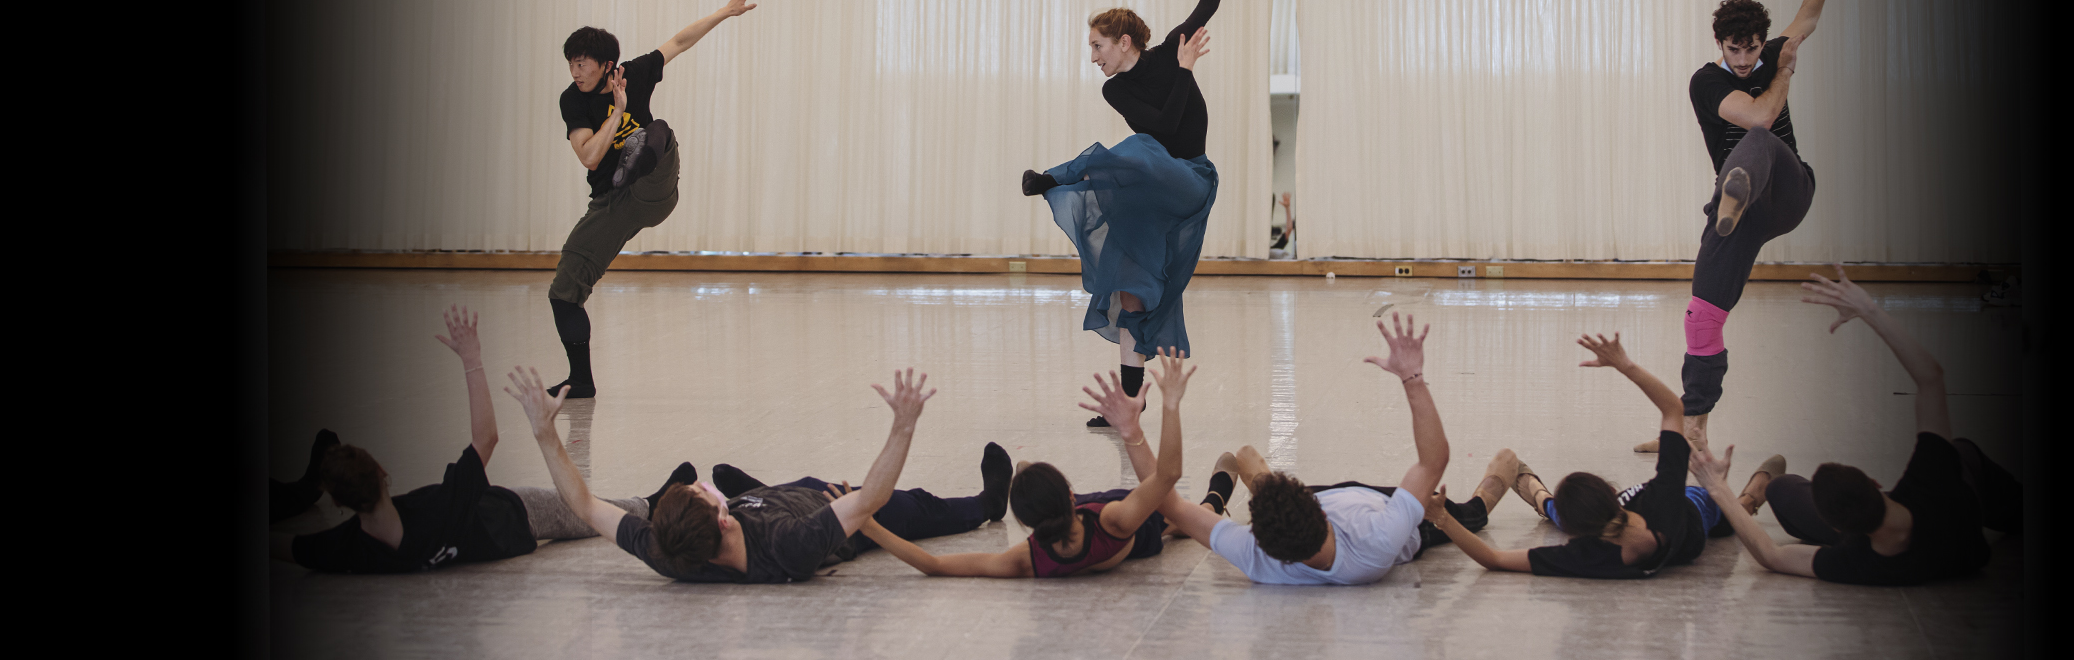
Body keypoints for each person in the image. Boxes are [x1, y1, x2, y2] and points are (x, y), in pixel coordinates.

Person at [270, 307, 692, 572]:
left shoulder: (344, 550)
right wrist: (472, 361)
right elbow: (486, 439)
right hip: (512, 517)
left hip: (500, 538)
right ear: (382, 473)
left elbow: (287, 548)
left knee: (579, 512)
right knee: (581, 510)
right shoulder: (440, 507)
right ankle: (651, 505)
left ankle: (649, 504)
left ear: (341, 504)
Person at [502, 364, 1003, 584]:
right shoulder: (789, 547)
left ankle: (752, 491)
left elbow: (584, 507)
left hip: (773, 501)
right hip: (827, 506)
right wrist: (902, 427)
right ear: (721, 521)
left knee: (772, 490)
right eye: (704, 495)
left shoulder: (667, 550)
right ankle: (987, 502)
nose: (701, 485)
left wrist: (546, 435)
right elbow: (870, 498)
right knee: (917, 507)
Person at [1691, 266, 2025, 585]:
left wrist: (1717, 488)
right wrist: (1869, 310)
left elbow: (1772, 556)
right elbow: (1931, 378)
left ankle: (1761, 491)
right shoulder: (1936, 481)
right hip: (1965, 499)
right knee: (1962, 449)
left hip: (1923, 534)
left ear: (1835, 529)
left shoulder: (1857, 562)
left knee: (1780, 489)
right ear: (1875, 482)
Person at [1021, 0, 1236, 428]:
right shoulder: (1114, 90)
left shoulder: (1167, 56)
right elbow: (1155, 129)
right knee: (1128, 290)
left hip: (1190, 179)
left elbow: (1203, 12)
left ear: (1124, 42)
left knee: (1140, 147)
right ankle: (1130, 404)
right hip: (1151, 187)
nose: (1093, 57)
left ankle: (1054, 178)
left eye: (1098, 46)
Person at [1642, 0, 1850, 453]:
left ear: (1761, 41)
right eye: (1734, 49)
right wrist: (1785, 73)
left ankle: (1732, 193)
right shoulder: (1707, 81)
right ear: (1720, 44)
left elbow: (1806, 21)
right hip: (1740, 210)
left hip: (1786, 191)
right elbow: (1761, 111)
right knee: (1702, 315)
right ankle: (1693, 426)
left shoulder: (1774, 50)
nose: (1742, 59)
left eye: (1752, 48)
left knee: (1759, 143)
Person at [546, 0, 760, 399]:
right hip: (612, 200)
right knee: (564, 290)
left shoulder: (636, 72)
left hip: (653, 187)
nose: (574, 73)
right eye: (571, 64)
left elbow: (680, 41)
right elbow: (589, 157)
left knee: (658, 131)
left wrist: (725, 11)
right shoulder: (572, 101)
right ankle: (581, 380)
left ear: (608, 65)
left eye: (582, 64)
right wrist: (620, 113)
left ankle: (638, 158)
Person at [1422, 334, 1766, 579]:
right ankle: (1750, 498)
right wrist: (1625, 365)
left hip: (1640, 515)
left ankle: (1543, 499)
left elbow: (1494, 558)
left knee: (1557, 509)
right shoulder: (1664, 496)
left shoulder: (1588, 556)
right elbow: (1673, 409)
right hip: (1693, 509)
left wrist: (1443, 518)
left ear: (1575, 534)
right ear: (1611, 492)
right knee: (1728, 510)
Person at [1152, 313, 1458, 585]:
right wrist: (1412, 378)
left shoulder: (1257, 557)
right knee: (1469, 511)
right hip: (1392, 512)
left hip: (1346, 498)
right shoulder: (1377, 541)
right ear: (1321, 511)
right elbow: (1433, 462)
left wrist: (1146, 422)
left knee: (1245, 454)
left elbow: (1170, 503)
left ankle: (1222, 497)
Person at [859, 352, 1204, 578]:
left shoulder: (1028, 558)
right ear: (1070, 495)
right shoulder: (1114, 520)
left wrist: (867, 524)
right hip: (1116, 520)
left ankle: (1027, 473)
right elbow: (1168, 476)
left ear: (1022, 522)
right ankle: (1214, 499)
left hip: (1081, 514)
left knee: (1176, 518)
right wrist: (1169, 405)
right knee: (1179, 517)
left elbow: (934, 565)